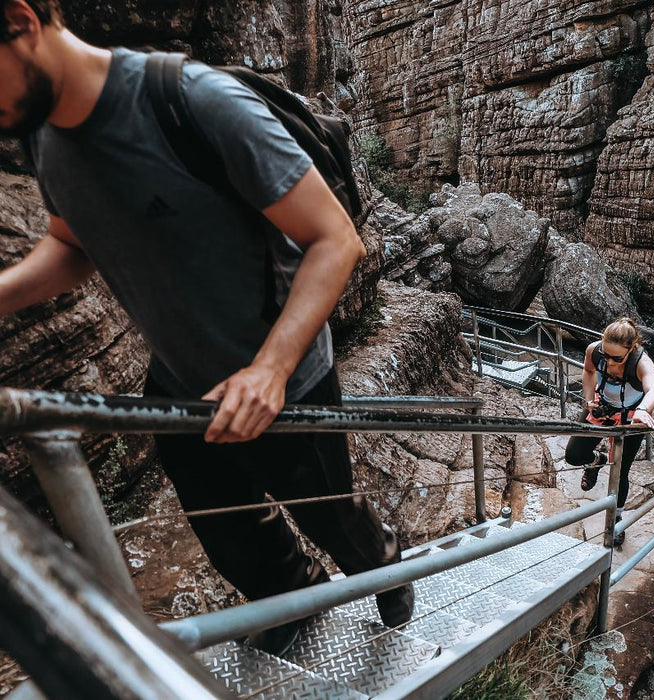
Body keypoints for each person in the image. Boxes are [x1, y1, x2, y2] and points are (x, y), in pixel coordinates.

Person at [0, 0, 412, 656]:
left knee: (329, 515)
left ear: (21, 21)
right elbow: (71, 247)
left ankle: (386, 560)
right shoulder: (42, 134)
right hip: (177, 381)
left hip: (284, 374)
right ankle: (292, 594)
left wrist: (270, 370)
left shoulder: (193, 101)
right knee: (231, 534)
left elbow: (334, 240)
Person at [565, 317, 654, 546]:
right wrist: (589, 400)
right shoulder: (594, 351)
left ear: (631, 349)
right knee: (574, 455)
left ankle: (616, 520)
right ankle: (597, 460)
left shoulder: (641, 362)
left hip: (630, 416)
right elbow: (588, 371)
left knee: (620, 471)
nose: (610, 362)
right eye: (606, 355)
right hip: (602, 407)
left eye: (617, 358)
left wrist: (643, 410)